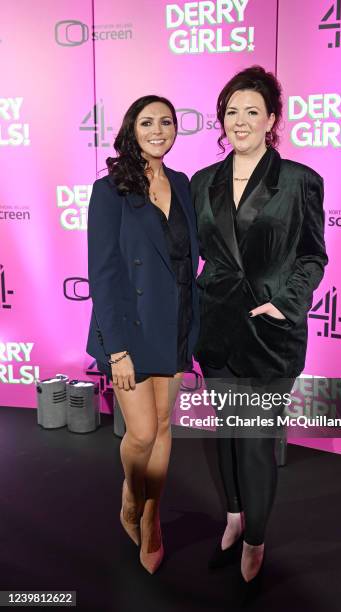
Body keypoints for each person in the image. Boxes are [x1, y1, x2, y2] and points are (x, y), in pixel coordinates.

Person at [190, 66, 328, 584]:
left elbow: (312, 256)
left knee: (253, 439)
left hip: (270, 334)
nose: (240, 121)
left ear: (272, 120)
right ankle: (231, 519)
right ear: (221, 120)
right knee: (227, 433)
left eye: (252, 111)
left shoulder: (299, 180)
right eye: (232, 111)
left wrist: (286, 303)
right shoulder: (202, 182)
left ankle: (254, 539)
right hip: (219, 329)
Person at [86, 95, 199, 574]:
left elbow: (189, 260)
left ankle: (151, 518)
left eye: (167, 122)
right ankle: (131, 497)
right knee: (143, 432)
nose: (159, 130)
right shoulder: (109, 190)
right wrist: (117, 351)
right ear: (132, 130)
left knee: (165, 428)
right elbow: (105, 273)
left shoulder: (183, 184)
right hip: (130, 329)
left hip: (175, 323)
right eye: (148, 122)